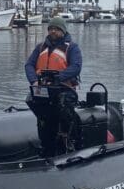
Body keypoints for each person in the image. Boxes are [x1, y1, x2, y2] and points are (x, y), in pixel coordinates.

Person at [25, 17, 82, 155]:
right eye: (51, 29)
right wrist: (34, 81)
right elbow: (29, 65)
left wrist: (57, 78)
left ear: (63, 31)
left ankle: (67, 145)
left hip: (63, 90)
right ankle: (47, 147)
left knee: (63, 117)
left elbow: (76, 67)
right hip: (42, 90)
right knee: (40, 115)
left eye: (56, 29)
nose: (53, 31)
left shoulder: (72, 48)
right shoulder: (40, 47)